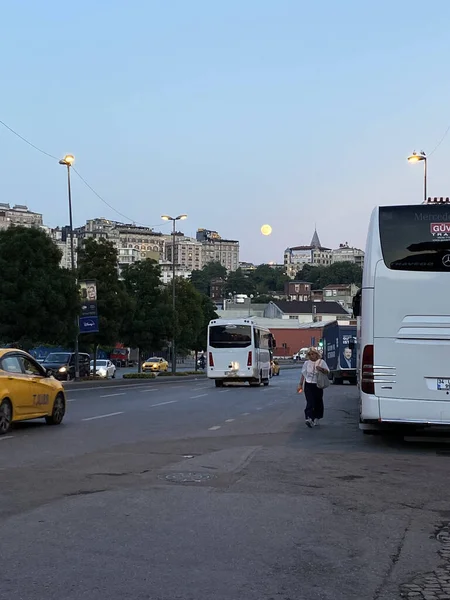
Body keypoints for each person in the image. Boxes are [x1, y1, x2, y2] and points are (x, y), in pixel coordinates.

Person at [297, 347, 330, 427]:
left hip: (318, 384)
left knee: (318, 401)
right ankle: (309, 418)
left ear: (316, 354)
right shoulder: (306, 363)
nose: (311, 356)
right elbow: (303, 374)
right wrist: (300, 384)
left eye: (313, 354)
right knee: (310, 401)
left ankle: (317, 417)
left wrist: (321, 369)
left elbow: (327, 372)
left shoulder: (321, 362)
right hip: (308, 384)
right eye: (310, 354)